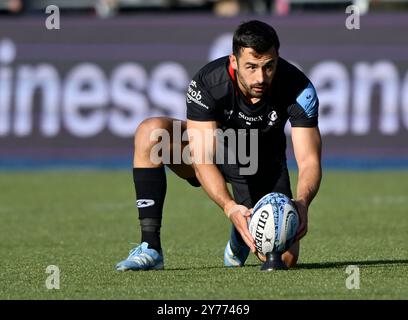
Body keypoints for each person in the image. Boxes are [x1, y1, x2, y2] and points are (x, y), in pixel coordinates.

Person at [115, 20, 322, 271]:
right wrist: (230, 207)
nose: (261, 77)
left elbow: (309, 159)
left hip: (262, 162)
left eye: (269, 67)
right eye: (251, 67)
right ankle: (150, 247)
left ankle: (242, 233)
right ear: (234, 61)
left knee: (285, 258)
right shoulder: (208, 82)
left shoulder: (298, 87)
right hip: (215, 150)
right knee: (151, 133)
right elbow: (202, 158)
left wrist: (302, 201)